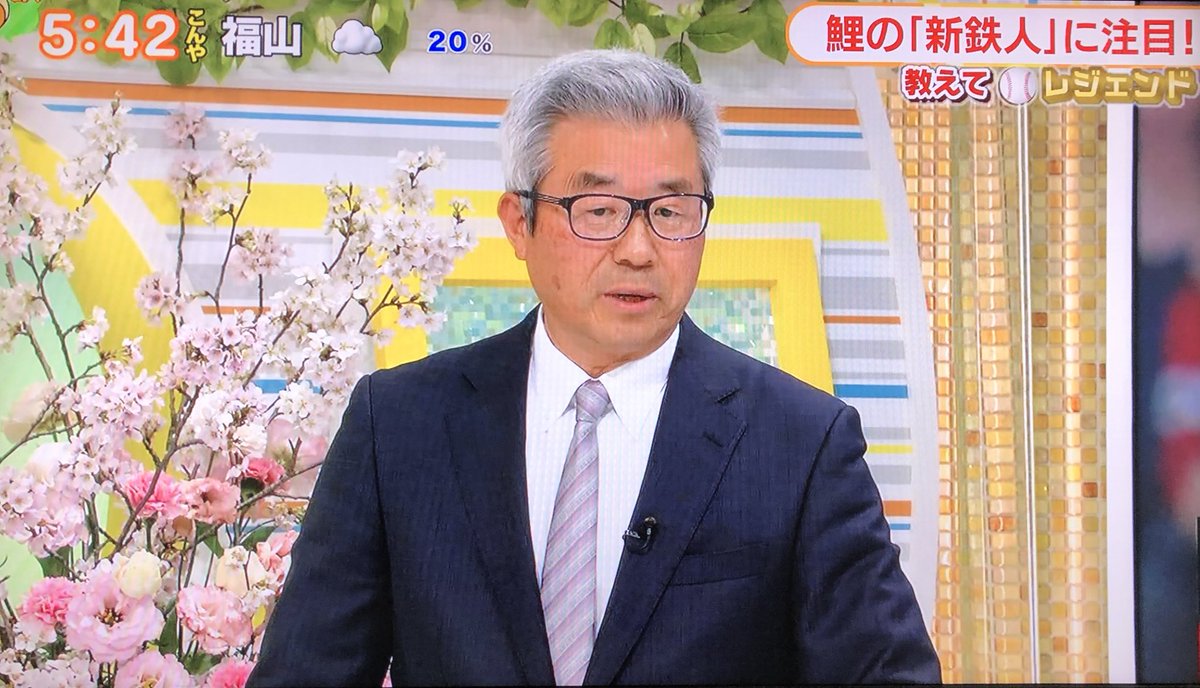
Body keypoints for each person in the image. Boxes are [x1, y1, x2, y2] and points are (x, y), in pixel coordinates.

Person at [248, 49, 941, 686]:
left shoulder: (802, 442)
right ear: (518, 222)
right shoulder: (399, 424)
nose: (638, 249)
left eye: (671, 210)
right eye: (599, 210)